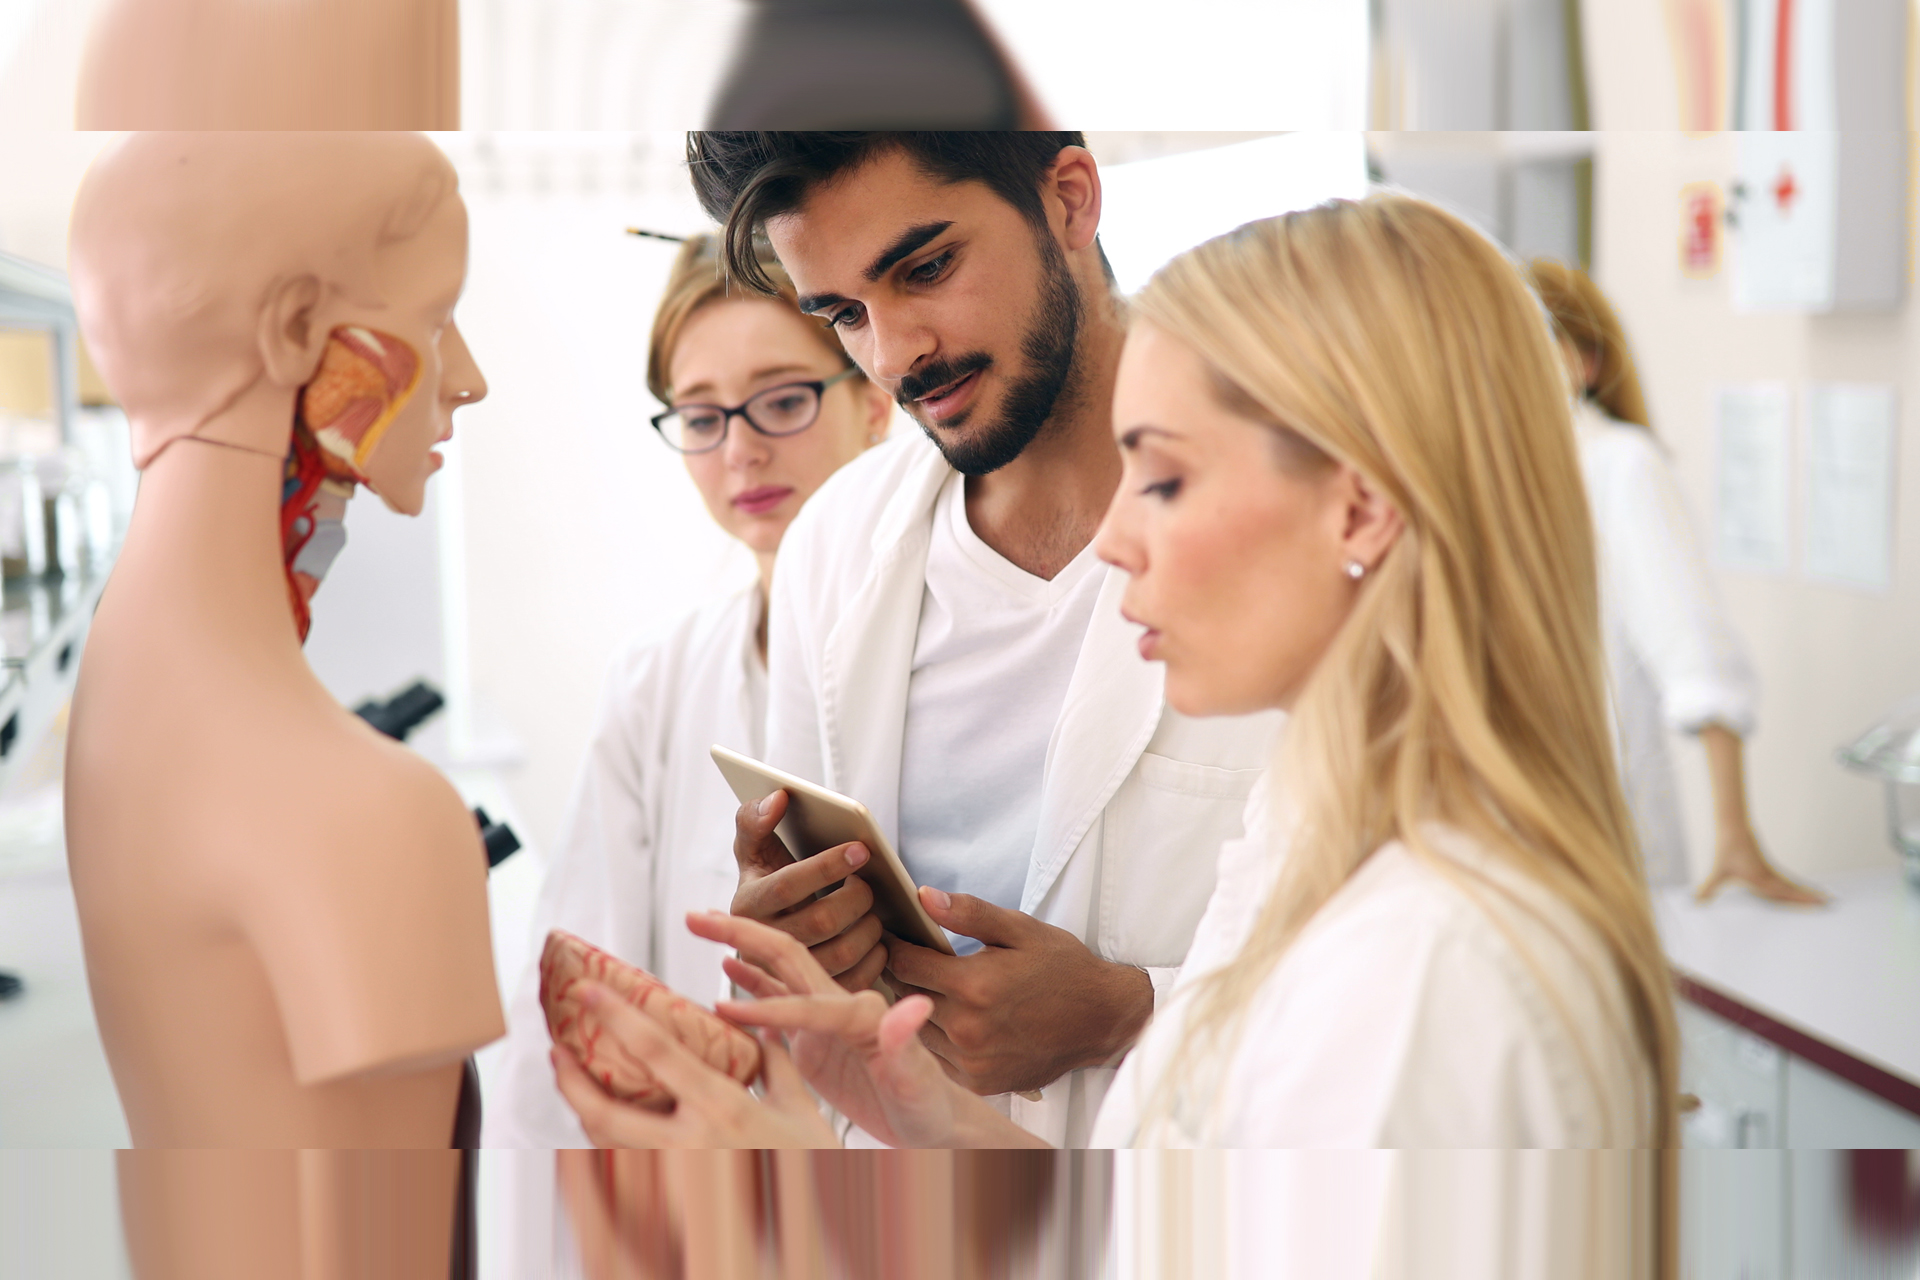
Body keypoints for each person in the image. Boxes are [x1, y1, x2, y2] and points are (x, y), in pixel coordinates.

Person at [555, 195, 1680, 1270]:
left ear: (1360, 506)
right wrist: (932, 1123)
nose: (1116, 542)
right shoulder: (1300, 847)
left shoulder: (1429, 965)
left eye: (1168, 476)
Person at [680, 131, 1279, 1148]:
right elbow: (839, 1030)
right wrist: (802, 936)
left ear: (1071, 200)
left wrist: (1130, 1008)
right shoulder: (837, 542)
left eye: (926, 268)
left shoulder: (1292, 522)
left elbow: (1436, 962)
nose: (892, 353)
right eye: (842, 313)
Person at [485, 233, 893, 1149]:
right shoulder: (658, 679)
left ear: (874, 400)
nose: (740, 452)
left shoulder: (947, 652)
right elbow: (575, 991)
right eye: (702, 418)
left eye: (782, 400)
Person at [1527, 260, 1825, 907]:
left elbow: (1695, 651)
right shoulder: (1500, 476)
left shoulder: (1621, 464)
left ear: (1584, 365)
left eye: (1526, 346)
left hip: (1601, 834)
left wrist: (1734, 833)